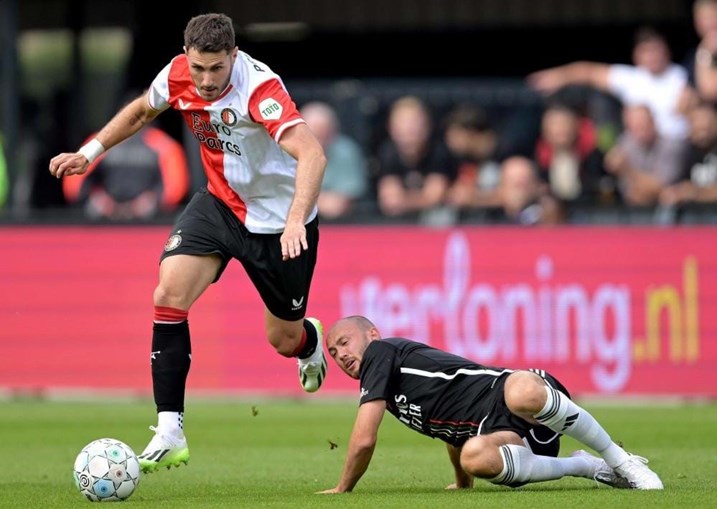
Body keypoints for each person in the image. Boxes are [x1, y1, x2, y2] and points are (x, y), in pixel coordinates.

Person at [49, 13, 328, 473]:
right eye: (198, 68)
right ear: (187, 57)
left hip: (279, 223)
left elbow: (313, 154)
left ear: (233, 57)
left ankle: (308, 342)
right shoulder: (178, 73)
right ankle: (170, 429)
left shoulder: (260, 89)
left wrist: (296, 220)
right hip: (219, 204)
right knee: (168, 294)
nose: (206, 80)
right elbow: (142, 110)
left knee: (282, 338)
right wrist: (89, 153)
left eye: (216, 69)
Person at [318, 316, 663, 494]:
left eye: (345, 343)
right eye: (333, 353)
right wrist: (462, 481)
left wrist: (343, 488)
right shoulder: (394, 393)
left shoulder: (381, 354)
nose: (341, 355)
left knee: (520, 391)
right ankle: (585, 467)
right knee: (473, 456)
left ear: (372, 335)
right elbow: (449, 430)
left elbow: (364, 438)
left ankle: (621, 459)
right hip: (501, 432)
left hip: (512, 392)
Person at [62, 124, 191, 221]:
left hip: (147, 216)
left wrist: (152, 200)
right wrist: (97, 198)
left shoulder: (162, 144)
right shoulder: (99, 141)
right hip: (104, 215)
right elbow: (74, 185)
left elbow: (175, 186)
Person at [299, 101, 368, 221]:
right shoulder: (285, 153)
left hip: (341, 224)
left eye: (324, 135)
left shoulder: (347, 151)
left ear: (334, 132)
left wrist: (306, 200)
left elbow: (340, 205)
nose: (319, 143)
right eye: (314, 135)